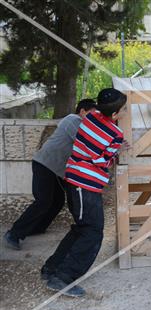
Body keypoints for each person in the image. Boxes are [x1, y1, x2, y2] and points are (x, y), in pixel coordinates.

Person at [42, 88, 127, 298]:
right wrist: (116, 151)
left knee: (81, 228)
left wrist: (109, 151)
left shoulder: (90, 118)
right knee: (92, 231)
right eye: (124, 109)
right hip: (85, 184)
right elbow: (102, 160)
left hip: (74, 179)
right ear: (115, 115)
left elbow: (96, 150)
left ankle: (51, 268)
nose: (126, 112)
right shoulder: (115, 134)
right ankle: (63, 278)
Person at [3, 99, 97, 250]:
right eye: (92, 114)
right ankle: (14, 234)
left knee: (57, 201)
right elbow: (86, 144)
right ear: (82, 111)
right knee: (43, 201)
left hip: (56, 170)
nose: (94, 118)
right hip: (44, 165)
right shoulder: (73, 120)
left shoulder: (83, 125)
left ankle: (37, 227)